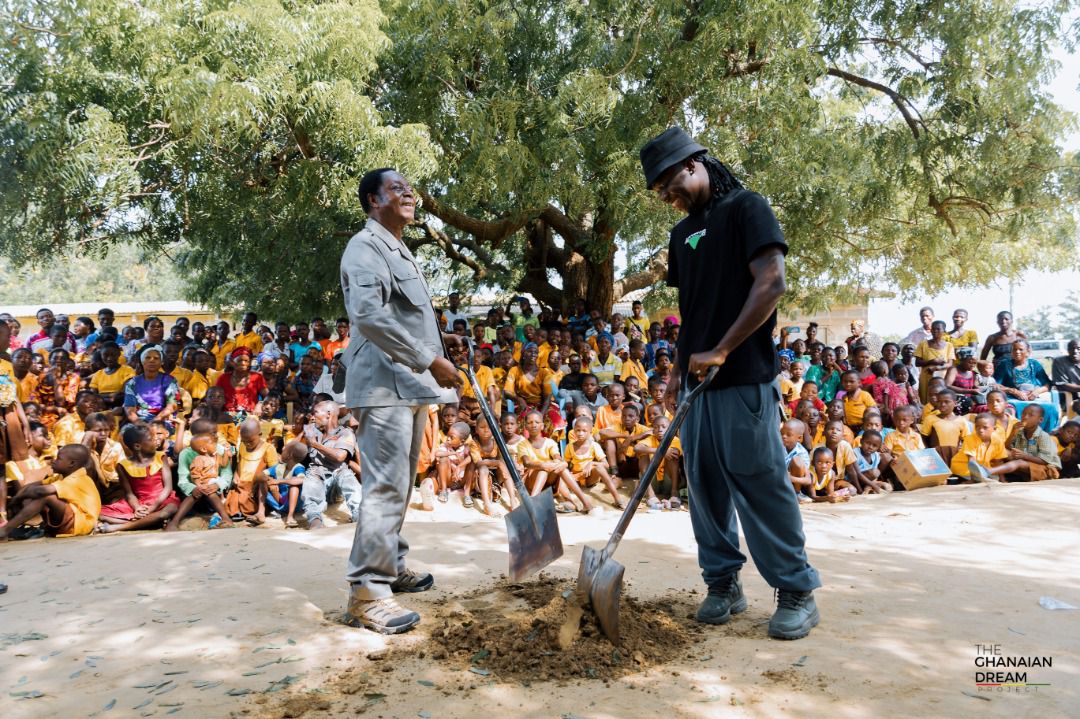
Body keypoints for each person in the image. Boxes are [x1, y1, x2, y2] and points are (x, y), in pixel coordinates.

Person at [640, 126, 819, 639]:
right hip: (697, 387)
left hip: (742, 377)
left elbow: (772, 282)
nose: (667, 197)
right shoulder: (682, 235)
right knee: (705, 486)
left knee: (760, 481)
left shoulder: (747, 207)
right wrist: (675, 371)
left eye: (668, 184)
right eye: (659, 193)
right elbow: (692, 310)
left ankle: (797, 591)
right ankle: (723, 584)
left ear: (693, 164)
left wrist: (723, 348)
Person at [339, 167, 463, 634]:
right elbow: (368, 317)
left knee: (400, 485)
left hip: (407, 385)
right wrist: (429, 358)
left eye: (409, 186)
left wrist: (437, 340)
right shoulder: (364, 247)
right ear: (373, 200)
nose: (408, 192)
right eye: (396, 187)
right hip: (383, 385)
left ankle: (389, 562)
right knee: (386, 486)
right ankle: (367, 593)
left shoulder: (398, 248)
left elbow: (399, 315)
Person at [0, 443, 100, 540]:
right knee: (32, 494)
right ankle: (23, 526)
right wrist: (19, 497)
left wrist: (15, 500)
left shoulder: (77, 479)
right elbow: (30, 486)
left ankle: (5, 530)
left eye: (59, 459)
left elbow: (40, 491)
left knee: (46, 497)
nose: (54, 461)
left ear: (72, 463)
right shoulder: (60, 477)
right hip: (74, 520)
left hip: (82, 523)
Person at [97, 423, 180, 533]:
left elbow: (168, 487)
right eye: (151, 439)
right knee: (101, 513)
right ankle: (150, 521)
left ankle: (121, 526)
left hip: (162, 499)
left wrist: (153, 507)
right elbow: (129, 494)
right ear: (137, 446)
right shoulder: (123, 466)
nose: (155, 440)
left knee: (169, 510)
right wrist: (137, 508)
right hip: (140, 502)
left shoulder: (161, 457)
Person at [993, 339, 1057, 430]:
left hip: (1033, 398)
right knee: (1010, 409)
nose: (1017, 352)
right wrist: (1014, 391)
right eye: (1014, 349)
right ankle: (1014, 436)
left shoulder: (1034, 364)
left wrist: (1036, 392)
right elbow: (996, 385)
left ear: (1027, 351)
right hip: (1012, 399)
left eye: (1020, 349)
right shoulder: (1004, 364)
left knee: (1052, 408)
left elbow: (1047, 384)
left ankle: (1047, 436)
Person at [123, 345, 180, 427]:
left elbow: (172, 406)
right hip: (139, 422)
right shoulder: (132, 382)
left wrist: (154, 421)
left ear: (161, 362)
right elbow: (129, 408)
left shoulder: (169, 381)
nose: (152, 361)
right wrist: (140, 424)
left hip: (163, 421)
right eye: (147, 358)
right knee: (128, 433)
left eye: (156, 358)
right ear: (142, 362)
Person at [215, 347, 267, 416]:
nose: (243, 363)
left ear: (250, 363)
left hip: (250, 417)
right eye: (239, 360)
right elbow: (215, 396)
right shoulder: (223, 378)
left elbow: (268, 396)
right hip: (227, 416)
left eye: (246, 361)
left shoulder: (257, 377)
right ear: (232, 362)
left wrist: (260, 404)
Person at [1051, 339, 1080, 415]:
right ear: (1068, 350)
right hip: (1070, 398)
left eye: (1078, 349)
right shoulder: (1060, 362)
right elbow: (1061, 385)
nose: (1075, 351)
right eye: (1072, 348)